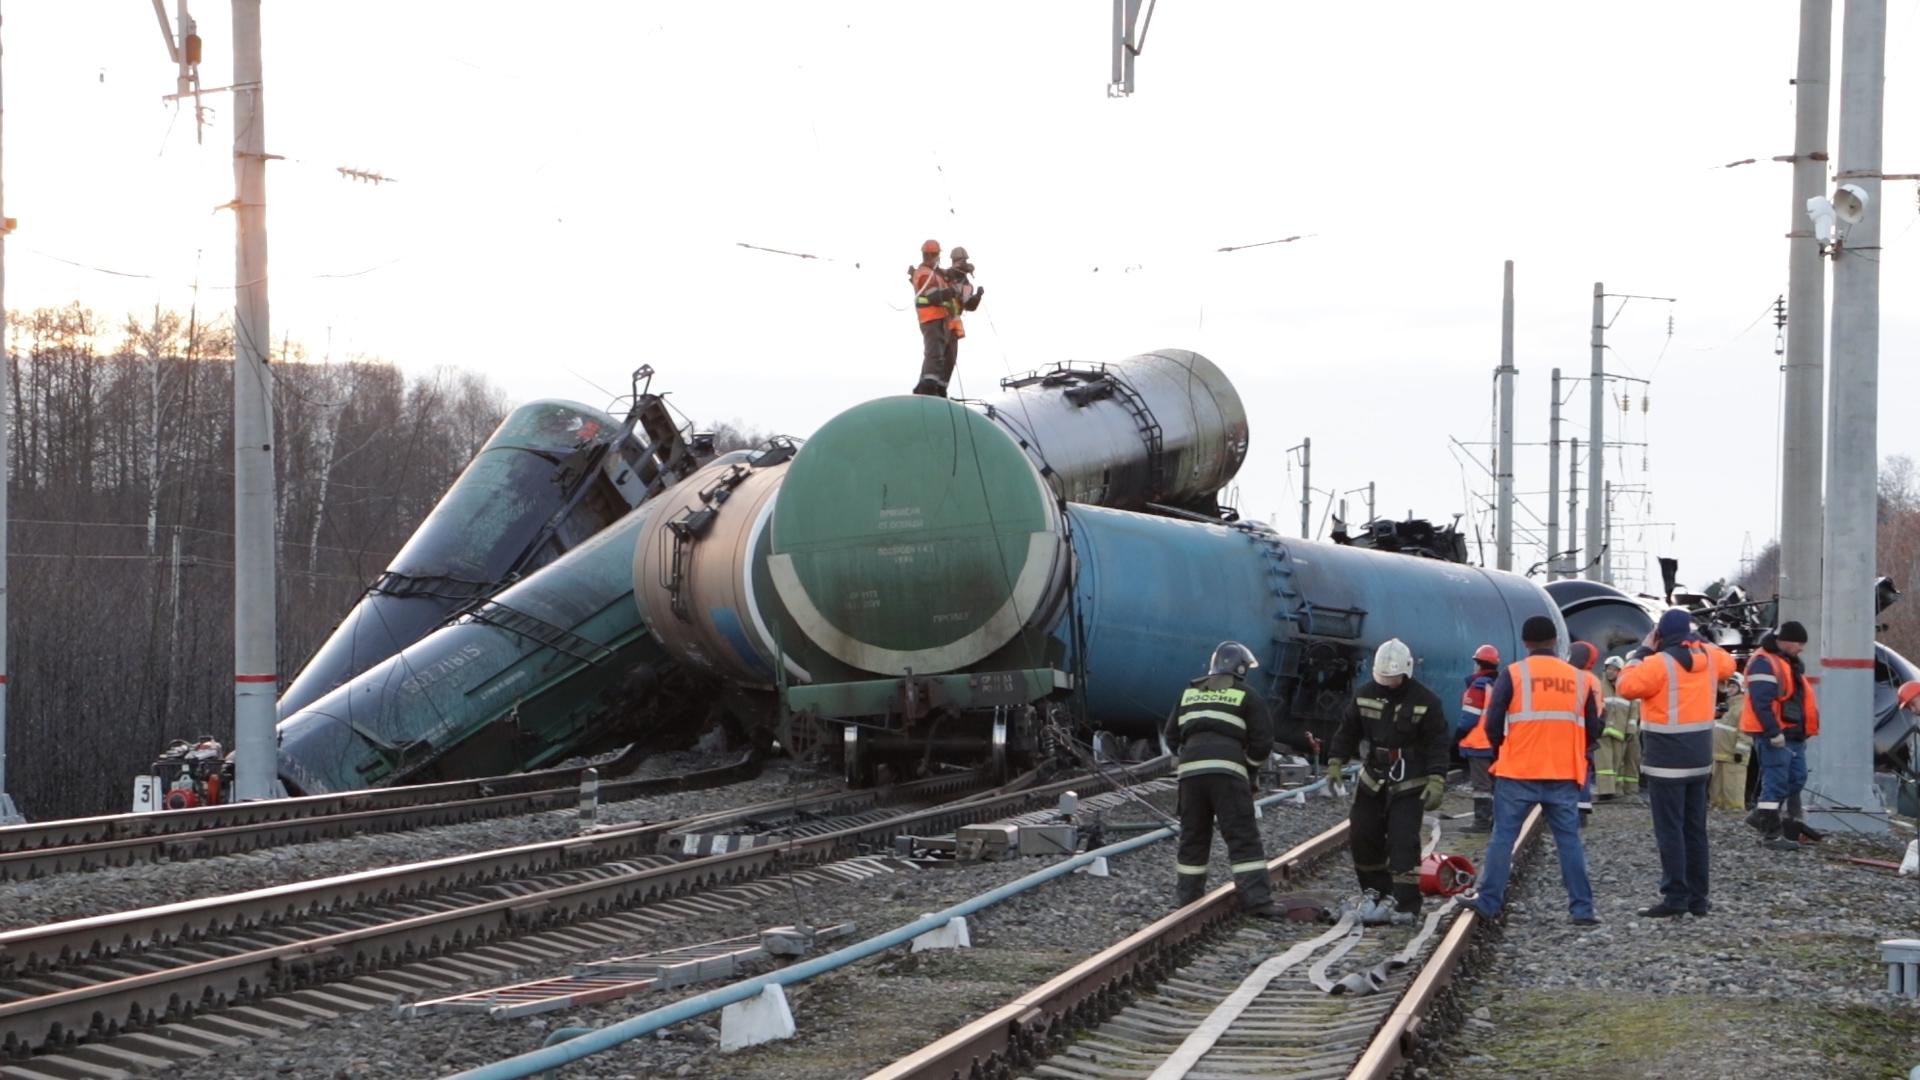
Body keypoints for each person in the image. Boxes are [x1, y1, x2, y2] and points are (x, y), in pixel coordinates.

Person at [1466, 615, 1602, 926]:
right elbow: (1593, 729)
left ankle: (1488, 902)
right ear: (1555, 641)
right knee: (1568, 841)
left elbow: (1492, 722)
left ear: (1526, 643)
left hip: (1518, 771)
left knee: (1503, 837)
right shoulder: (1579, 679)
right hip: (1563, 772)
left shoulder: (1513, 674)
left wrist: (1503, 750)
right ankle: (1582, 909)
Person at [1616, 607, 1738, 918]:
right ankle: (1699, 899)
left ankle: (1675, 897)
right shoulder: (1709, 658)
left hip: (1666, 760)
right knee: (1695, 829)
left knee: (1670, 830)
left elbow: (1625, 687)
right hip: (1699, 759)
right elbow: (1729, 663)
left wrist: (1641, 651)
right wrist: (1696, 638)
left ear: (1661, 636)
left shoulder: (1657, 664)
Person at [1324, 638, 1449, 925]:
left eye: (1392, 679)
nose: (1387, 683)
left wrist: (1436, 779)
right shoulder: (1365, 694)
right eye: (1383, 678)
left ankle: (1406, 904)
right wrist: (1335, 762)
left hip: (1409, 783)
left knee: (1403, 842)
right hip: (1373, 780)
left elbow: (1438, 743)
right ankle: (1375, 892)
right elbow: (1347, 731)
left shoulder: (1426, 701)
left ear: (1406, 672)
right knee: (1363, 835)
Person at [1163, 641, 1283, 917]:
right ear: (1241, 669)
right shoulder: (1246, 695)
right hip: (1227, 774)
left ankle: (1188, 901)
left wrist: (1190, 757)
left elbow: (1171, 736)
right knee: (1241, 836)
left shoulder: (1189, 693)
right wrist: (1249, 767)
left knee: (1193, 836)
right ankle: (1257, 902)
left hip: (1190, 775)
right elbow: (1262, 742)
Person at [1740, 621, 1823, 848]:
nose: (1801, 649)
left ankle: (1761, 815)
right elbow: (1761, 702)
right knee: (1775, 782)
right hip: (1776, 734)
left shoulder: (1785, 663)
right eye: (1799, 644)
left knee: (1796, 779)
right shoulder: (1764, 663)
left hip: (1792, 734)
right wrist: (1772, 731)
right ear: (1786, 641)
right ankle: (1771, 835)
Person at [1455, 644, 1501, 834]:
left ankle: (1482, 822)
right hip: (1495, 743)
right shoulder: (1498, 686)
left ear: (1478, 664)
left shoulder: (1478, 686)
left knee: (1481, 785)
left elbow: (1469, 719)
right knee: (1495, 784)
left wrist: (1457, 736)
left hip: (1478, 743)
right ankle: (1495, 820)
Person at [908, 240, 957, 397]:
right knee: (934, 353)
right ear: (931, 255)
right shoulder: (924, 274)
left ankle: (934, 387)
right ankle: (928, 387)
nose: (937, 258)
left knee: (940, 354)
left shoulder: (934, 273)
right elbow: (933, 296)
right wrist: (950, 292)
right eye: (936, 255)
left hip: (940, 319)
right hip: (930, 318)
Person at [1568, 641, 1604, 824]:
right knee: (1584, 774)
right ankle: (1581, 813)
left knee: (1572, 775)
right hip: (1588, 735)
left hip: (1574, 735)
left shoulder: (1575, 678)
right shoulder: (1594, 680)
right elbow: (1600, 711)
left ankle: (1573, 814)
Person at [1599, 655, 1643, 801]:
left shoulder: (1626, 687)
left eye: (1614, 669)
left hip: (1620, 731)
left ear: (1620, 671)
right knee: (1604, 763)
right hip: (1603, 731)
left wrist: (1630, 729)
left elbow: (1633, 710)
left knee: (1618, 761)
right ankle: (1605, 791)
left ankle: (1617, 790)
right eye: (1608, 669)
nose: (1611, 672)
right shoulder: (1599, 686)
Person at [1710, 672, 1752, 812]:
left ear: (1741, 688)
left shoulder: (1743, 707)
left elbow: (1745, 731)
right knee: (1717, 786)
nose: (1729, 689)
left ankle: (1734, 812)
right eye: (1729, 686)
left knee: (1733, 786)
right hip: (1720, 754)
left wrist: (1740, 751)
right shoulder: (1730, 707)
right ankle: (1718, 807)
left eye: (1733, 686)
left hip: (1734, 756)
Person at [943, 246, 985, 370]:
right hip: (940, 322)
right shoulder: (945, 275)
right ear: (953, 261)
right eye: (960, 260)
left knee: (950, 361)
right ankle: (930, 386)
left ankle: (940, 388)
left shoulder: (967, 285)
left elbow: (969, 306)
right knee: (936, 358)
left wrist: (978, 296)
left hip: (953, 327)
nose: (963, 263)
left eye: (964, 260)